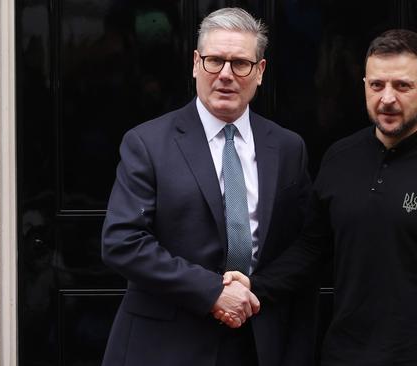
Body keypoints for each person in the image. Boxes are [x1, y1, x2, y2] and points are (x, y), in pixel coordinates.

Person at [221, 29, 417, 365]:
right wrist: (255, 286)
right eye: (376, 85)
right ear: (365, 86)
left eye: (402, 86)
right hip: (343, 354)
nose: (387, 98)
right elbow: (312, 248)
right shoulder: (340, 158)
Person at [101, 7, 316, 366]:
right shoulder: (148, 143)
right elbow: (122, 242)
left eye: (240, 63)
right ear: (196, 64)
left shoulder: (288, 148)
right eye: (215, 61)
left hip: (258, 340)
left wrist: (255, 292)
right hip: (166, 345)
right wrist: (213, 291)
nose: (226, 75)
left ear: (260, 72)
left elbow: (304, 244)